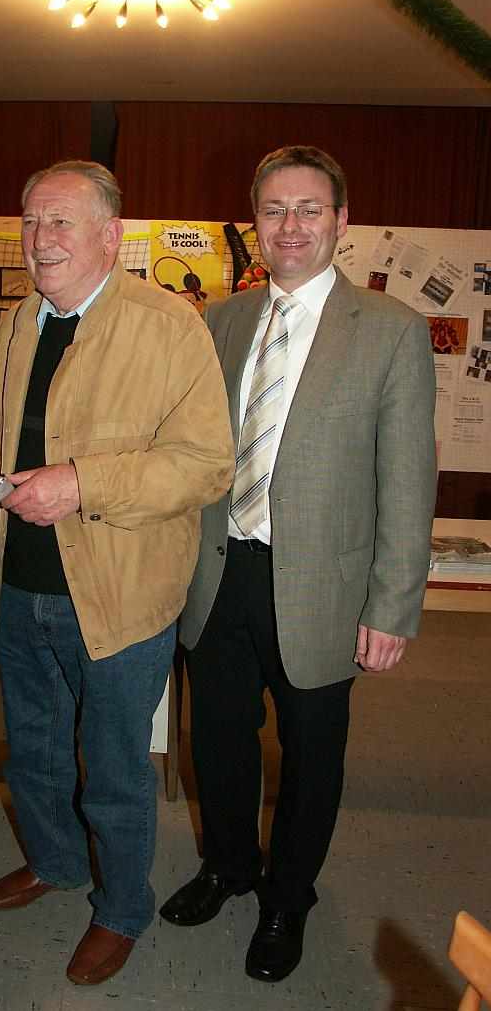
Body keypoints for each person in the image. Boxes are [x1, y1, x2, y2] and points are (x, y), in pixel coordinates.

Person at [0, 161, 233, 985]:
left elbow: (206, 463)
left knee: (112, 769)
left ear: (112, 234)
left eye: (61, 221)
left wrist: (82, 483)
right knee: (33, 753)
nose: (40, 239)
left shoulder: (170, 327)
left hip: (119, 597)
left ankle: (121, 908)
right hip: (17, 585)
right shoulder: (13, 323)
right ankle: (56, 861)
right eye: (31, 221)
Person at [160, 146, 437, 982]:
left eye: (309, 209)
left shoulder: (391, 330)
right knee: (219, 738)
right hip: (221, 572)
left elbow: (407, 480)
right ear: (255, 222)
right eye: (274, 209)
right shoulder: (219, 321)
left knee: (312, 754)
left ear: (341, 221)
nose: (290, 226)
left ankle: (288, 898)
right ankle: (228, 865)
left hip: (324, 586)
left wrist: (392, 605)